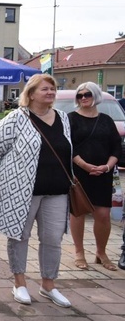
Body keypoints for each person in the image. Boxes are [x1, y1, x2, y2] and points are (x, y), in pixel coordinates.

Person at [0, 74, 73, 307]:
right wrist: (12, 175)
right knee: (19, 236)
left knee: (53, 239)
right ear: (31, 94)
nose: (51, 92)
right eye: (45, 89)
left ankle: (48, 285)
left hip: (57, 191)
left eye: (53, 89)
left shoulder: (63, 118)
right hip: (23, 192)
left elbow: (66, 150)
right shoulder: (16, 118)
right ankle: (19, 283)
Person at [68, 82, 122, 271]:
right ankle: (79, 252)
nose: (83, 97)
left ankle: (101, 252)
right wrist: (84, 165)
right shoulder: (71, 119)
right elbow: (68, 146)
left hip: (103, 174)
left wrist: (107, 166)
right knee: (78, 212)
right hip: (79, 173)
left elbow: (116, 146)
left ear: (96, 95)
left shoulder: (106, 120)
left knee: (103, 214)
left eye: (87, 94)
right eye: (80, 95)